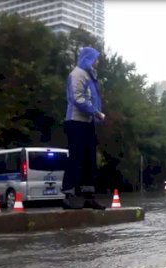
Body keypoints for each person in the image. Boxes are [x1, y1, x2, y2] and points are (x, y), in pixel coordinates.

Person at [62, 46, 106, 210]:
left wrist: (95, 116)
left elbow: (93, 98)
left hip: (88, 123)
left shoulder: (90, 75)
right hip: (75, 122)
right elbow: (77, 99)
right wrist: (96, 113)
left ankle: (89, 197)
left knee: (90, 160)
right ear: (88, 58)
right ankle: (68, 196)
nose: (97, 61)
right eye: (95, 58)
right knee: (75, 159)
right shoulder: (77, 74)